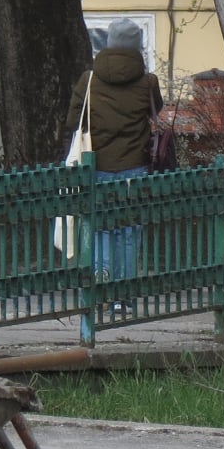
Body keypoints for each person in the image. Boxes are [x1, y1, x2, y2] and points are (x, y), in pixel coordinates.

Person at [65, 18, 164, 282]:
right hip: (136, 168)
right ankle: (124, 291)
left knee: (101, 228)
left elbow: (73, 121)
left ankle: (102, 280)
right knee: (130, 229)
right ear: (137, 46)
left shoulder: (89, 81)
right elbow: (157, 112)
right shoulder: (148, 82)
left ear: (109, 43)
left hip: (98, 166)